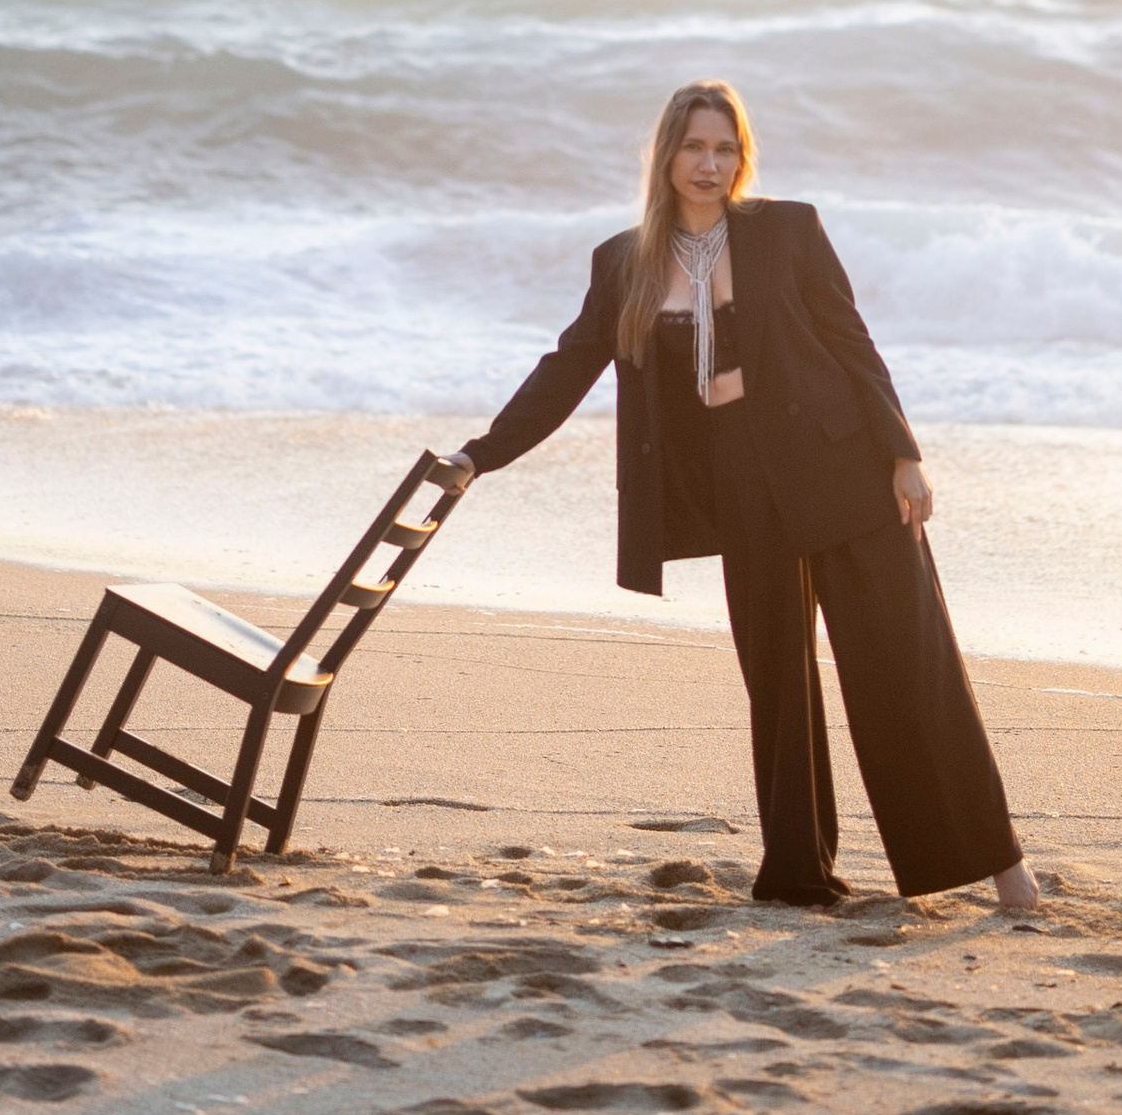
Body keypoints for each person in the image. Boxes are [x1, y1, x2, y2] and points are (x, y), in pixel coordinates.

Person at [439, 80, 1039, 913]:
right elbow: (568, 368)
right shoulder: (624, 262)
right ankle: (799, 875)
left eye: (725, 148)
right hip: (741, 495)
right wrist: (480, 454)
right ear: (666, 156)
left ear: (741, 157)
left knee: (907, 668)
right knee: (779, 689)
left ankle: (1000, 862)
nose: (709, 164)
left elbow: (849, 339)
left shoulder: (786, 231)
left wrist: (905, 454)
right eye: (694, 147)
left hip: (844, 474)